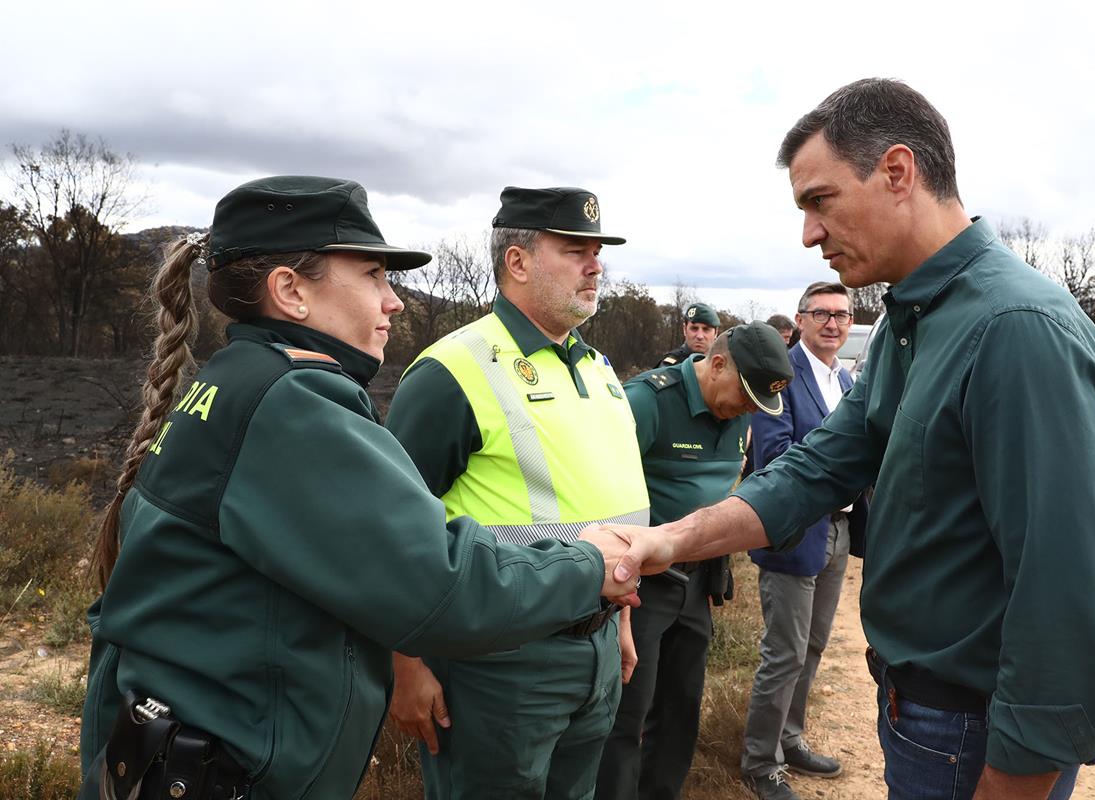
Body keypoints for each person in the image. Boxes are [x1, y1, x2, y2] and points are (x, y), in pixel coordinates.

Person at [598, 78, 1095, 800]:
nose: (809, 233)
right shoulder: (916, 323)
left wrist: (1020, 775)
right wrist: (670, 541)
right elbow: (815, 468)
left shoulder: (1015, 331)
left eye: (820, 200)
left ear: (898, 173)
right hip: (919, 712)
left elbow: (1060, 595)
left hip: (972, 733)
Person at [77, 176, 646, 800]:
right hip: (228, 767)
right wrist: (590, 565)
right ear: (291, 291)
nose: (394, 301)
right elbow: (441, 585)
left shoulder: (237, 380)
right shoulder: (292, 404)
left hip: (179, 751)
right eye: (374, 275)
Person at [384, 186, 650, 799]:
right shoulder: (453, 370)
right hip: (499, 663)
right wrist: (406, 663)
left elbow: (608, 510)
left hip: (599, 645)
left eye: (598, 251)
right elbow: (392, 536)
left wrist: (620, 616)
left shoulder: (600, 370)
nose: (595, 264)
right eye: (575, 249)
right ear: (518, 262)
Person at [597, 321, 793, 800]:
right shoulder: (647, 401)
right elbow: (597, 495)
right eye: (746, 396)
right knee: (627, 713)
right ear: (717, 363)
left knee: (681, 707)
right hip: (639, 584)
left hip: (698, 580)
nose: (749, 410)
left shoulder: (740, 410)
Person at [741, 282, 866, 800]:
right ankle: (759, 762)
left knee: (812, 646)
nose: (833, 324)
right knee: (785, 652)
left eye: (842, 315)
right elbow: (775, 456)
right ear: (801, 320)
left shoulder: (847, 379)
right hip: (796, 531)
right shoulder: (781, 379)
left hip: (837, 529)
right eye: (822, 314)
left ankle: (789, 738)